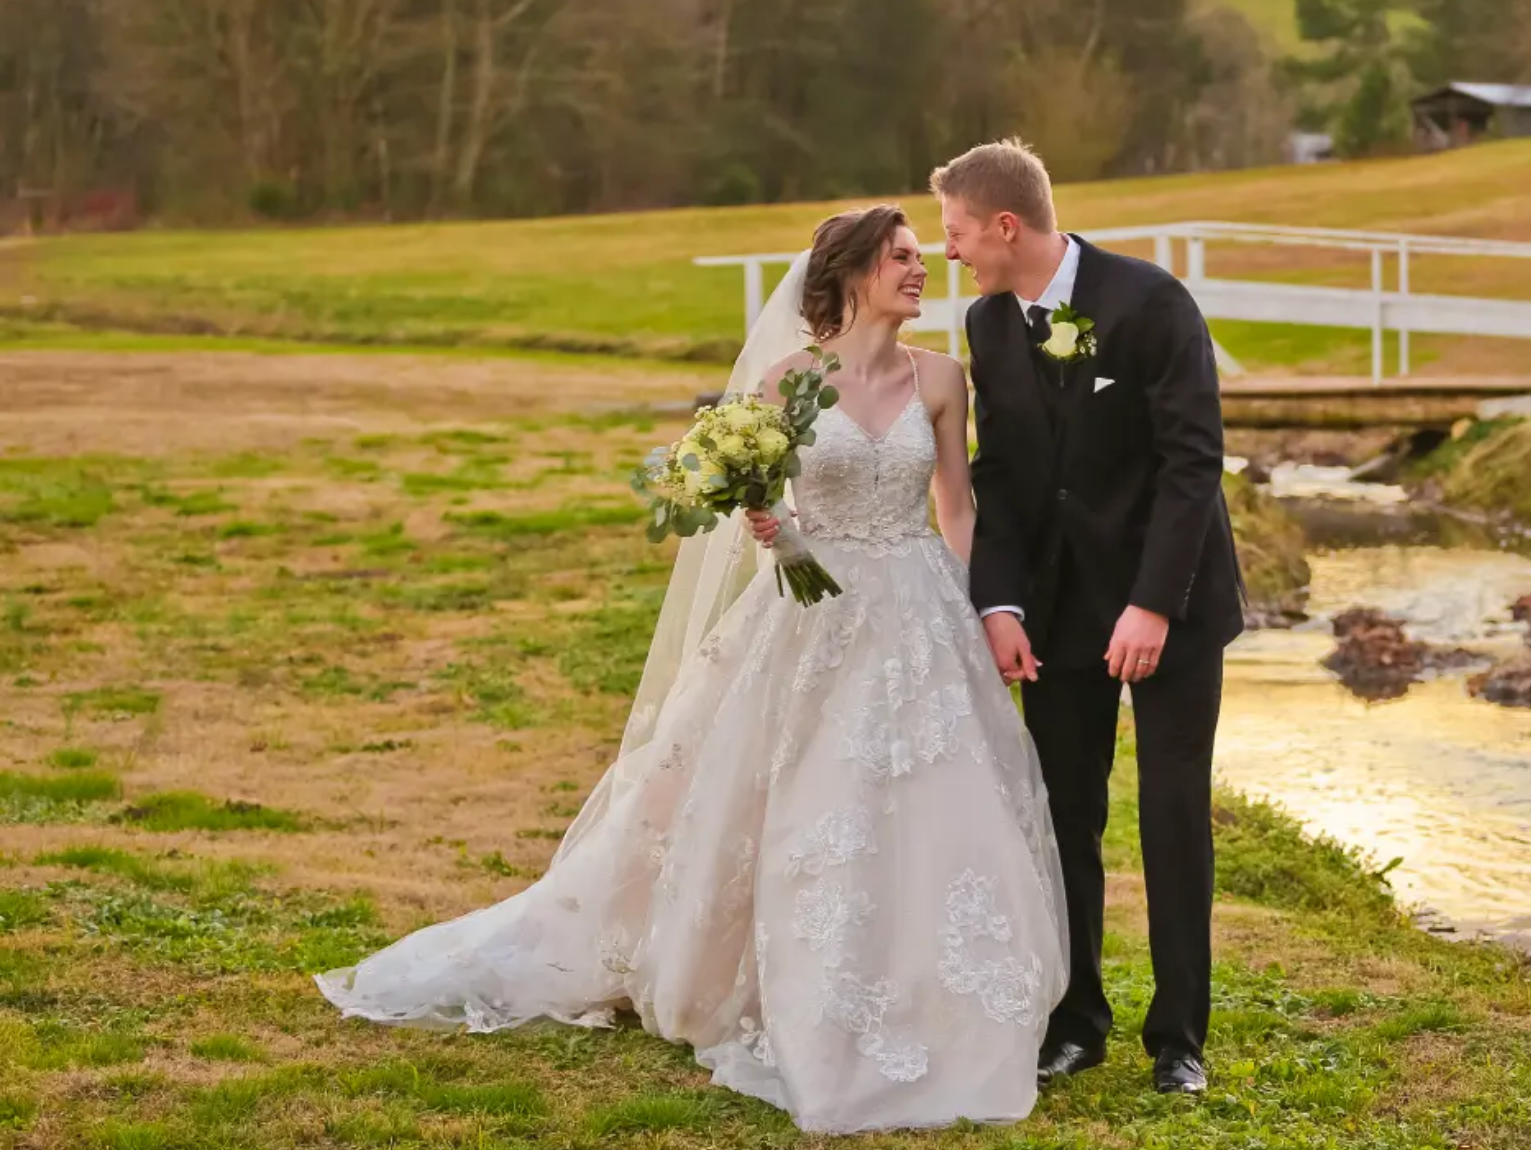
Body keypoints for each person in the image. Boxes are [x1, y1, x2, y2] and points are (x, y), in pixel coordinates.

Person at [315, 205, 1068, 1135]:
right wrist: (773, 528)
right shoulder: (792, 381)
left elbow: (957, 508)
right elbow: (762, 502)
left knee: (935, 799)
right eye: (903, 258)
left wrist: (974, 604)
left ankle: (931, 991)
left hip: (916, 611)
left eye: (922, 255)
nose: (922, 270)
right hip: (815, 608)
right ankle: (783, 977)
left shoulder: (945, 379)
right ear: (852, 274)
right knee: (806, 798)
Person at [934, 139, 1243, 1096]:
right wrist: (1001, 600)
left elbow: (1194, 463)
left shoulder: (1152, 302)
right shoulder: (988, 326)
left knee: (1171, 813)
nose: (949, 252)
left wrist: (1153, 603)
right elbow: (1005, 480)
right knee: (1064, 814)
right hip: (1059, 616)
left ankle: (1179, 1039)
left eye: (955, 233)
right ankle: (1079, 1020)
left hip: (1173, 605)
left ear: (1006, 225)